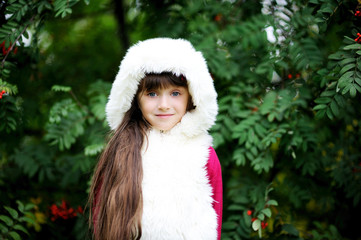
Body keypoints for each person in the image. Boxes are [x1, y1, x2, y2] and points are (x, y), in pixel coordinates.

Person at [88, 38, 222, 240]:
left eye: (175, 93)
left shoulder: (204, 154)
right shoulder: (122, 150)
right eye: (152, 93)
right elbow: (102, 220)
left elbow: (216, 219)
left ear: (192, 97)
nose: (164, 105)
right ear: (135, 99)